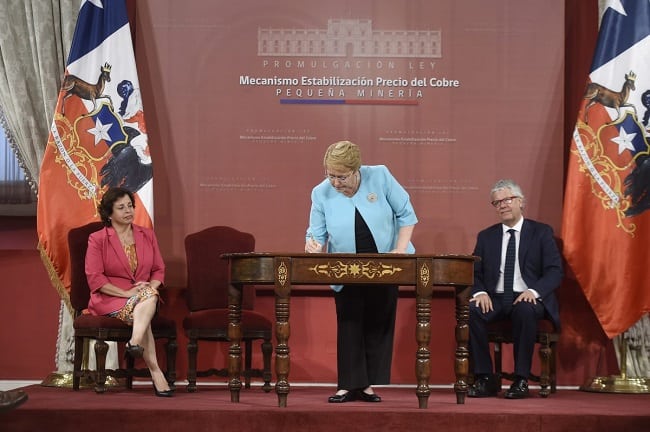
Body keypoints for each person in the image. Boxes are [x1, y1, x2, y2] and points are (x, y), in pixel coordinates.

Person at [304, 140, 418, 403]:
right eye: (330, 175)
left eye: (341, 177)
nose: (335, 182)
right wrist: (313, 244)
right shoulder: (321, 193)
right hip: (345, 267)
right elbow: (316, 233)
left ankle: (367, 385)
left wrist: (400, 251)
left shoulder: (380, 176)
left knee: (378, 321)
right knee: (349, 322)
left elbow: (406, 214)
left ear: (356, 170)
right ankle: (347, 385)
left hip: (385, 264)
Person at [468, 179, 562, 399]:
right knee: (472, 311)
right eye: (497, 202)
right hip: (496, 297)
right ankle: (485, 378)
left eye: (508, 200)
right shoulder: (486, 236)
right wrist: (480, 292)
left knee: (525, 310)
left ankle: (521, 380)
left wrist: (534, 292)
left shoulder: (541, 232)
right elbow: (474, 271)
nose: (503, 205)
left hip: (527, 296)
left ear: (521, 201)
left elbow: (555, 271)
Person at [85, 187, 173, 397]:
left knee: (148, 298)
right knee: (145, 309)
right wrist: (127, 294)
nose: (128, 211)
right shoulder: (97, 239)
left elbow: (159, 270)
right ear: (109, 213)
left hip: (143, 296)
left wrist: (150, 287)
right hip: (110, 297)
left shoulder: (147, 235)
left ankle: (134, 342)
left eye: (130, 206)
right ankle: (155, 372)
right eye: (121, 207)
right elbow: (95, 278)